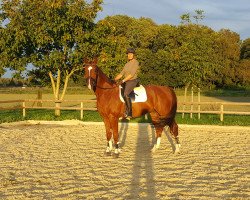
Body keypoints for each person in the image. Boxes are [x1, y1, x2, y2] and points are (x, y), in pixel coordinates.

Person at [115, 48, 140, 120]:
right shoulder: (126, 64)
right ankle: (122, 112)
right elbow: (121, 74)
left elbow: (131, 75)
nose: (129, 55)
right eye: (128, 54)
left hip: (133, 81)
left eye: (131, 54)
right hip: (126, 81)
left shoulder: (136, 62)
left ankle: (130, 113)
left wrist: (122, 81)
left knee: (126, 94)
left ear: (133, 55)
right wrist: (113, 80)